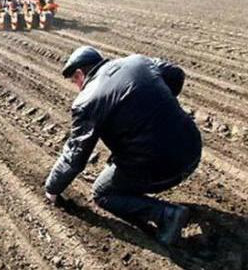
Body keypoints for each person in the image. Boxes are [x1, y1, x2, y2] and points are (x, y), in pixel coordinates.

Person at [44, 46, 202, 246]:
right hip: (193, 149)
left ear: (80, 73)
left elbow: (75, 156)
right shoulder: (139, 60)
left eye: (75, 81)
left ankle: (166, 215)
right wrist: (155, 108)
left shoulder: (87, 101)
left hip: (165, 167)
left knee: (103, 192)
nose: (77, 87)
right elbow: (176, 74)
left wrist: (52, 188)